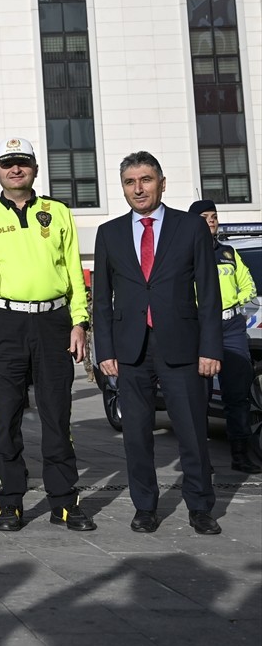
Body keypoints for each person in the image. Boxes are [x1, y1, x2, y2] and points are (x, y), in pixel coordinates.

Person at [0, 137, 95, 532]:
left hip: (53, 323)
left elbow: (73, 269)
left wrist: (79, 322)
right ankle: (10, 503)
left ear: (35, 169)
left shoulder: (57, 212)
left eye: (23, 163)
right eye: (8, 163)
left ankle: (64, 501)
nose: (15, 169)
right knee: (5, 418)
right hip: (3, 323)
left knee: (58, 415)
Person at [93, 153, 223, 534]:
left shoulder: (190, 228)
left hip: (183, 346)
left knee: (192, 432)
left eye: (146, 180)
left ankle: (200, 507)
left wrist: (210, 348)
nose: (139, 188)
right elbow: (101, 299)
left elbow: (210, 293)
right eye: (131, 182)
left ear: (162, 183)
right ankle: (145, 507)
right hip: (130, 349)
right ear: (123, 188)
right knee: (135, 434)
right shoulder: (110, 233)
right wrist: (106, 351)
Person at [189, 199, 259, 474]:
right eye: (205, 217)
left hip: (231, 327)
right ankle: (201, 461)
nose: (211, 221)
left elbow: (248, 285)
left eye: (214, 216)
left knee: (237, 394)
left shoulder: (228, 253)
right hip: (199, 328)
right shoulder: (186, 254)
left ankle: (240, 456)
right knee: (198, 396)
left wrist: (235, 303)